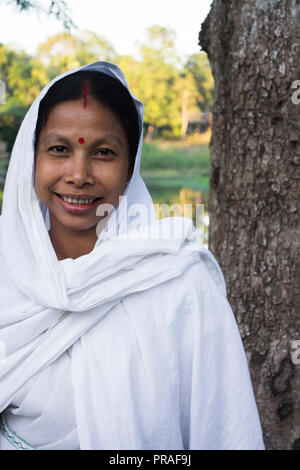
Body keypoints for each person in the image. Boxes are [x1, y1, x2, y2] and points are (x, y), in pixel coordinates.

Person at [0, 61, 265, 450]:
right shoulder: (6, 270)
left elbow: (225, 431)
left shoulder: (178, 282)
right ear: (31, 158)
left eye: (104, 153)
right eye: (58, 149)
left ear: (129, 168)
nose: (78, 173)